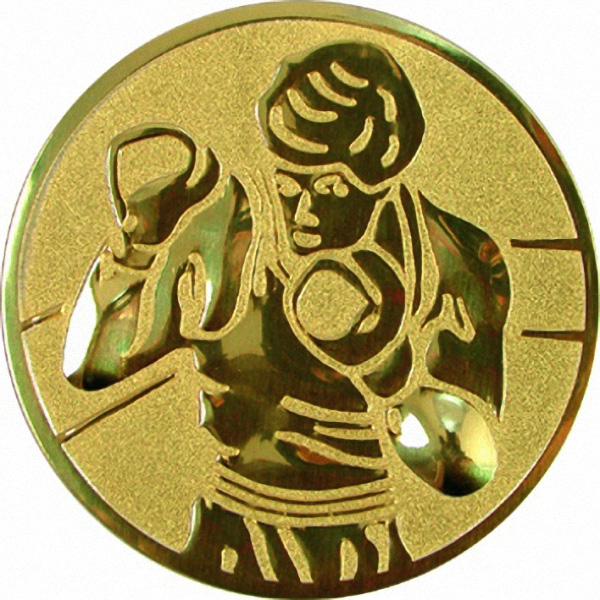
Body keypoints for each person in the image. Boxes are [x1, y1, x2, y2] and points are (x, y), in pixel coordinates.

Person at [66, 42, 509, 586]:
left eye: (331, 188)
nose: (302, 209)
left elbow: (472, 470)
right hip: (228, 542)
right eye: (287, 183)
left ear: (381, 177)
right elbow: (91, 371)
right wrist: (141, 242)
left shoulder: (447, 258)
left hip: (374, 552)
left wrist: (384, 369)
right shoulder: (229, 230)